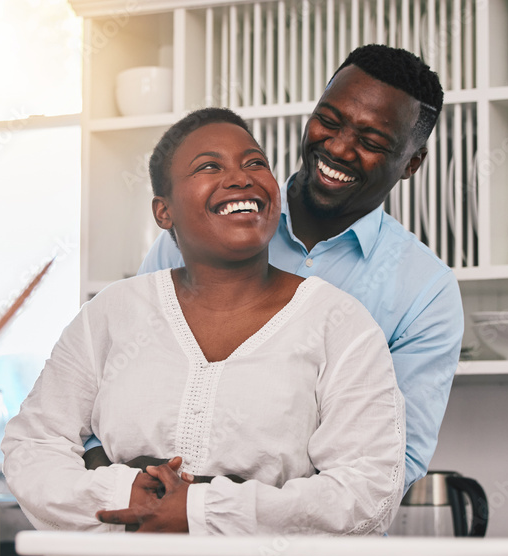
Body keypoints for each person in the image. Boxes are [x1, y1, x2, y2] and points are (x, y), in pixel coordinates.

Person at [2, 108, 405, 535]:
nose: (241, 178)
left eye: (255, 163)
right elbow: (33, 445)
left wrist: (202, 510)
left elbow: (368, 491)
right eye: (209, 166)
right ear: (164, 212)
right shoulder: (112, 313)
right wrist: (123, 494)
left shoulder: (339, 324)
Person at [92, 44, 464, 492]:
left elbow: (387, 467)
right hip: (152, 535)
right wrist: (124, 481)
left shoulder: (425, 292)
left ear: (412, 163)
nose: (339, 148)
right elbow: (112, 387)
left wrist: (207, 505)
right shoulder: (204, 226)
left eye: (371, 142)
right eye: (328, 120)